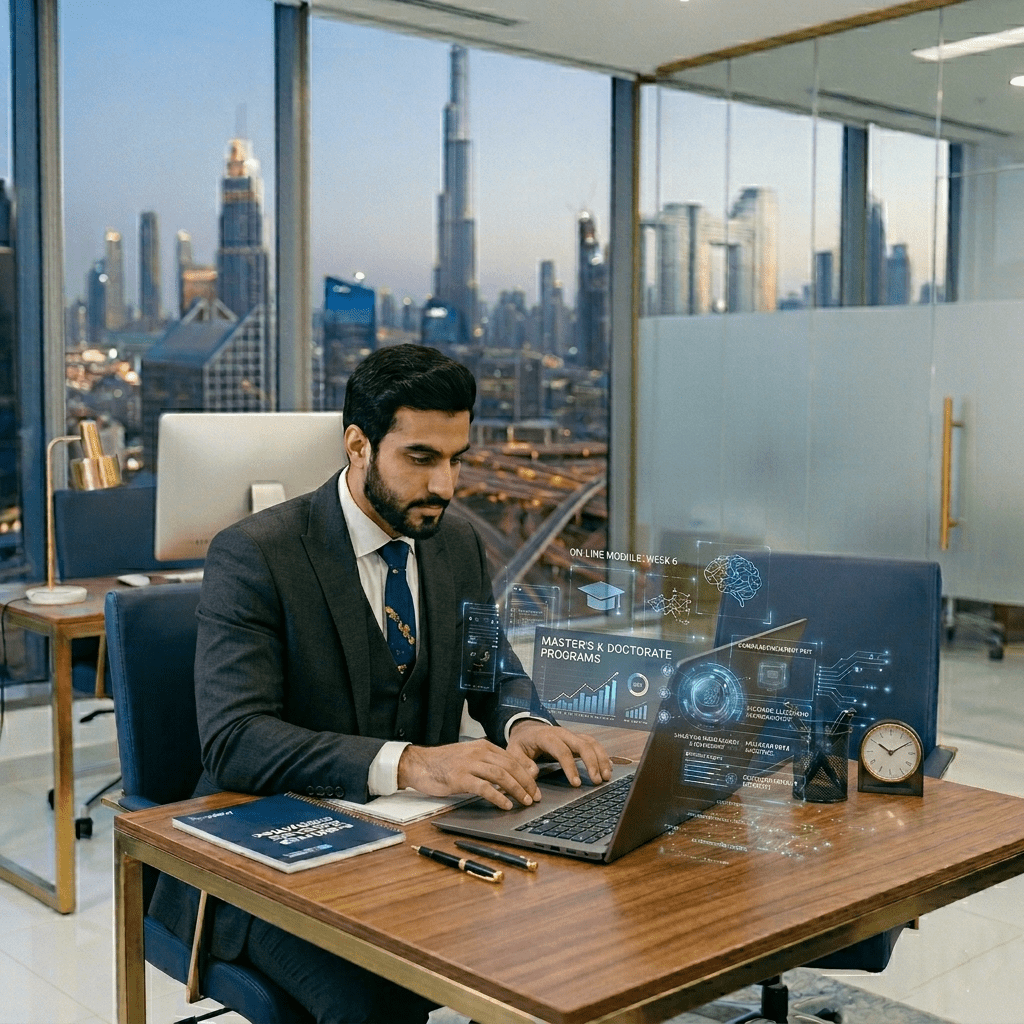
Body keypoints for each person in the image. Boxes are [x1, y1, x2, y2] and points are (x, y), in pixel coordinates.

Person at [150, 343, 612, 1024]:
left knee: (561, 938)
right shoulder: (255, 554)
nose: (446, 486)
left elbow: (488, 672)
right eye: (421, 459)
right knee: (374, 999)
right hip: (271, 862)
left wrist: (526, 724)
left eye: (456, 459)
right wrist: (414, 764)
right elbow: (235, 741)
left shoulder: (454, 543)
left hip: (412, 850)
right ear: (358, 446)